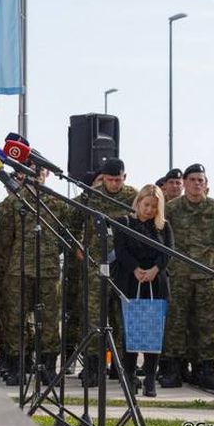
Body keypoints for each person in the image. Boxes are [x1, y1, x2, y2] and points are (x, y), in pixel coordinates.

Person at [0, 165, 66, 387]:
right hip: (19, 270)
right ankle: (18, 368)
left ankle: (47, 368)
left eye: (41, 171)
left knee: (50, 321)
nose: (37, 175)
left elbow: (65, 236)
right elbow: (4, 240)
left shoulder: (58, 203)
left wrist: (50, 254)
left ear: (47, 174)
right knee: (16, 320)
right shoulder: (15, 202)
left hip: (48, 271)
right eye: (32, 170)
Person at [71, 157, 137, 386]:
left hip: (124, 266)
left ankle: (123, 369)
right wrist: (77, 246)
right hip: (95, 265)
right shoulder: (91, 196)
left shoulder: (133, 197)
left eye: (118, 180)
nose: (114, 184)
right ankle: (93, 368)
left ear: (125, 177)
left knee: (122, 319)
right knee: (94, 318)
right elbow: (73, 223)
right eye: (110, 180)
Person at [160, 164, 214, 391]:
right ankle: (173, 370)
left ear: (206, 184)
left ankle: (205, 370)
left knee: (208, 324)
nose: (197, 184)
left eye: (201, 180)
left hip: (208, 276)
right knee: (176, 323)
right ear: (185, 183)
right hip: (179, 275)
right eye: (193, 180)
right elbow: (161, 238)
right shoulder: (171, 208)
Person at [113, 184, 172, 397]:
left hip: (155, 283)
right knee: (132, 331)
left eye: (154, 207)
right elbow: (121, 250)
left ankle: (149, 379)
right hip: (131, 280)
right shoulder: (125, 222)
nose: (149, 210)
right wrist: (135, 269)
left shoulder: (163, 226)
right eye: (146, 205)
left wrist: (156, 269)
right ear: (138, 202)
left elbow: (168, 252)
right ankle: (129, 377)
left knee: (153, 333)